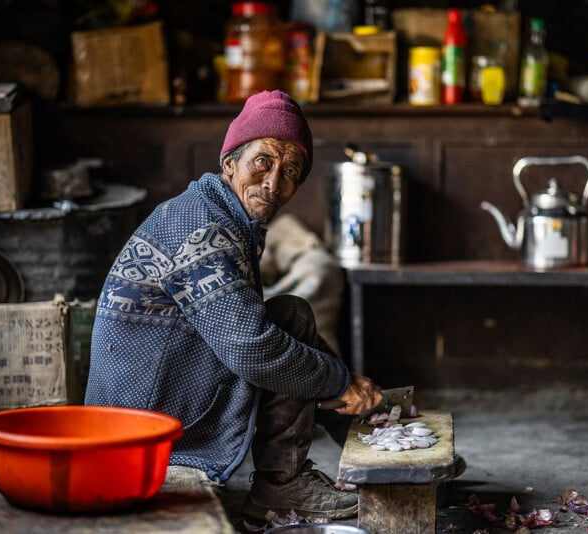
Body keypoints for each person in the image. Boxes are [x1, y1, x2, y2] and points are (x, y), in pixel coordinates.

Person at [84, 90, 383, 521]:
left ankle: (350, 439)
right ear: (230, 164)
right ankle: (282, 488)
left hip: (158, 400)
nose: (274, 183)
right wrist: (338, 381)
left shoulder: (222, 214)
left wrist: (349, 406)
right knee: (283, 330)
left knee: (289, 317)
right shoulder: (201, 228)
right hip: (137, 431)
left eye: (291, 170)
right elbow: (251, 347)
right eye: (263, 162)